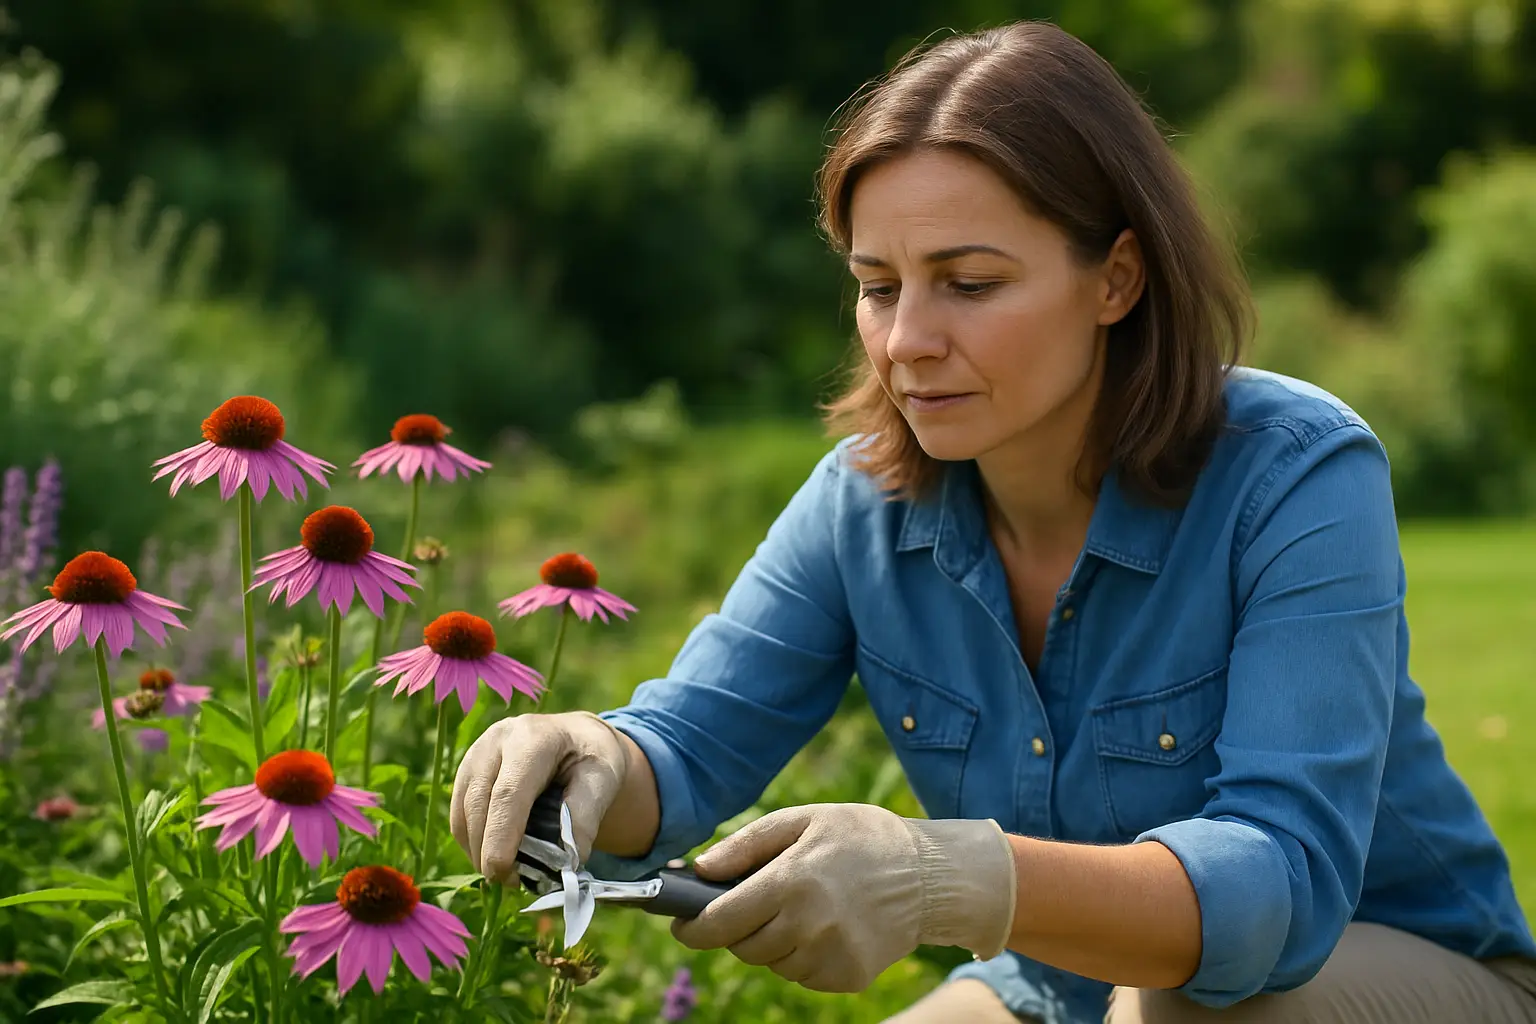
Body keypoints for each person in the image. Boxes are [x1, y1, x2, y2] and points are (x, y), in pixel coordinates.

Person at [450, 19, 1536, 1024]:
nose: (907, 340)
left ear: (1116, 277)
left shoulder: (1297, 473)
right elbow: (685, 750)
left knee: (1180, 1010)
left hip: (1397, 972)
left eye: (969, 283)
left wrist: (941, 872)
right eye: (879, 286)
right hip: (1059, 991)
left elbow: (1281, 889)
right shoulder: (861, 501)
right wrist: (587, 755)